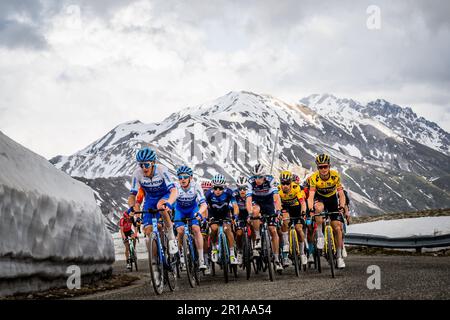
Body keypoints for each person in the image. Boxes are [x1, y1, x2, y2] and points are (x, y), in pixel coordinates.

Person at [127, 147, 178, 257]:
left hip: (165, 195)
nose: (144, 168)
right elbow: (132, 195)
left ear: (153, 163)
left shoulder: (161, 170)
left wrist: (169, 202)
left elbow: (174, 190)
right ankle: (155, 265)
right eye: (141, 165)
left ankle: (171, 237)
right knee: (149, 231)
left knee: (161, 205)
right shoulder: (137, 173)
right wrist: (131, 207)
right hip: (150, 200)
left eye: (147, 165)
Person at [307, 154, 348, 269]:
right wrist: (310, 209)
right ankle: (320, 235)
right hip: (320, 199)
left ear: (329, 166)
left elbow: (341, 194)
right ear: (317, 168)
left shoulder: (335, 176)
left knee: (337, 228)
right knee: (318, 208)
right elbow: (310, 196)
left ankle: (339, 257)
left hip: (332, 200)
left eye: (325, 166)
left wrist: (342, 206)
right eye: (320, 167)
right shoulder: (314, 178)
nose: (323, 169)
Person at [246, 163, 284, 271]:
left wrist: (278, 211)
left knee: (273, 230)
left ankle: (277, 260)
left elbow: (276, 197)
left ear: (264, 175)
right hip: (257, 201)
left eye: (260, 177)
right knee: (255, 211)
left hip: (269, 203)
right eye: (255, 176)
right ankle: (257, 238)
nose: (257, 179)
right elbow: (248, 200)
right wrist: (250, 213)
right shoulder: (250, 182)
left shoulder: (271, 180)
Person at [173, 165, 208, 271]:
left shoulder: (196, 186)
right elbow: (170, 201)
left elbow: (203, 204)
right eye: (180, 177)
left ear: (190, 178)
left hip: (193, 209)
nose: (182, 179)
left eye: (185, 177)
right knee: (180, 230)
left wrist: (200, 213)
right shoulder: (175, 187)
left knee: (196, 229)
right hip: (180, 210)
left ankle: (201, 259)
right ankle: (180, 254)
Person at [204, 174, 240, 265]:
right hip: (213, 214)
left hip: (225, 213)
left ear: (224, 187)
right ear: (213, 187)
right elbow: (204, 207)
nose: (218, 190)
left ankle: (232, 254)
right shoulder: (208, 194)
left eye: (220, 188)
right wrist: (204, 218)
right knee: (214, 229)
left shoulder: (229, 192)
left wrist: (235, 216)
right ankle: (214, 248)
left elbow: (235, 206)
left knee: (228, 229)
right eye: (215, 188)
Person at [278, 170, 308, 267]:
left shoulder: (296, 188)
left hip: (296, 208)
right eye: (283, 183)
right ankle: (286, 244)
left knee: (299, 229)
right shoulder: (278, 190)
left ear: (291, 182)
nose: (285, 185)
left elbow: (303, 203)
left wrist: (303, 212)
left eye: (287, 183)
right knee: (285, 221)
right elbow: (276, 203)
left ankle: (302, 253)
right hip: (286, 208)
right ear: (280, 183)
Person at [232, 176, 249, 265]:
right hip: (239, 214)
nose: (242, 191)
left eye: (245, 188)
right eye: (240, 188)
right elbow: (234, 208)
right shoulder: (234, 195)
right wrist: (234, 218)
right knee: (239, 233)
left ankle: (255, 246)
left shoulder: (251, 193)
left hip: (249, 213)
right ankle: (239, 251)